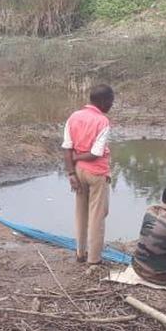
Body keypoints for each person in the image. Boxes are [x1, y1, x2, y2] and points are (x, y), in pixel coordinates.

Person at [62, 84, 114, 264]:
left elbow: (67, 148)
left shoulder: (74, 117)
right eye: (110, 102)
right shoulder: (103, 122)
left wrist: (71, 173)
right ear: (102, 101)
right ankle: (94, 260)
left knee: (81, 213)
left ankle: (80, 254)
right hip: (96, 173)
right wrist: (79, 157)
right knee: (97, 217)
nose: (111, 105)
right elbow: (96, 153)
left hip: (78, 173)